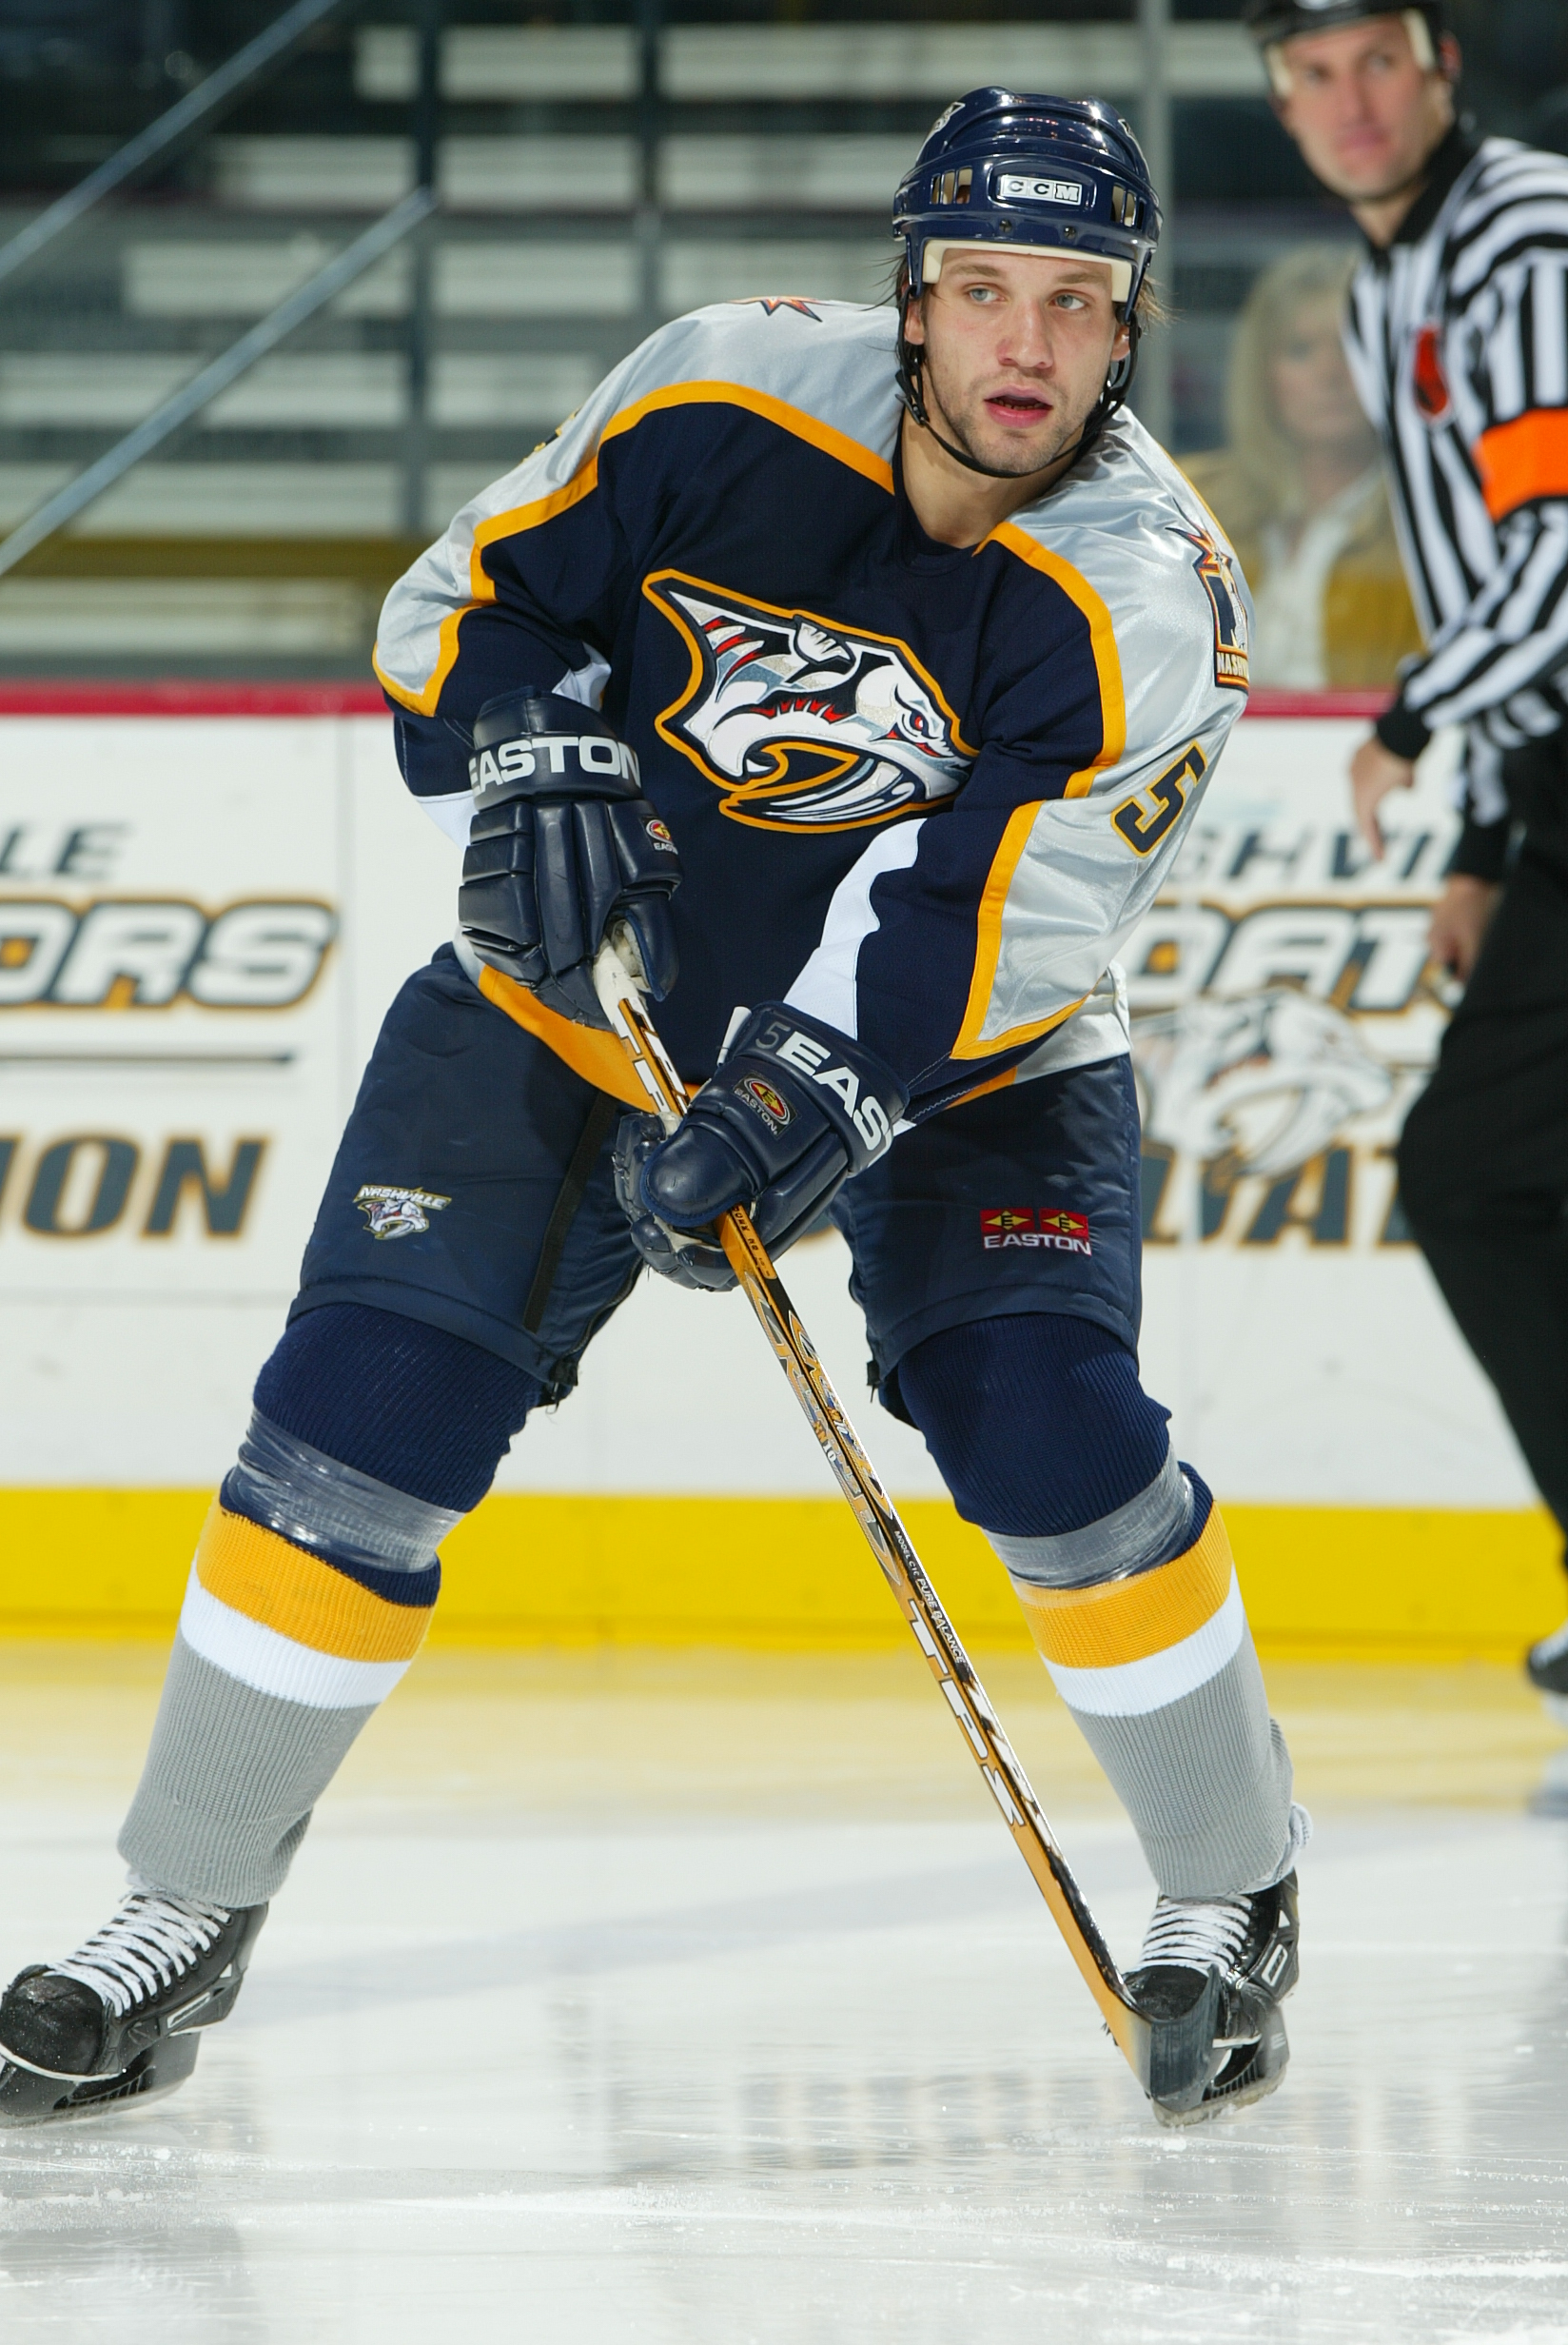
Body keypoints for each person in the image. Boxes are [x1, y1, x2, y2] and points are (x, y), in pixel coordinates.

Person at [0, 90, 1308, 2132]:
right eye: (980, 290)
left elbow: (988, 920)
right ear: (911, 296)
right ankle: (179, 1905)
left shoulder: (1146, 593)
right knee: (357, 1415)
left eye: (1072, 301)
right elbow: (458, 603)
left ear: (1129, 327)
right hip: (574, 1008)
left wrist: (800, 1101)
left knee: (1051, 1440)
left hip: (968, 1062)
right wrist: (529, 744)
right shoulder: (711, 396)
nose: (1022, 348)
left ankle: (1230, 1887)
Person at [1251, 0, 1568, 1721]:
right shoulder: (1391, 284)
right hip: (1551, 789)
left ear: (1440, 61)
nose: (1347, 101)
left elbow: (1555, 548)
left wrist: (1412, 719)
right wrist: (1482, 838)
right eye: (1308, 74)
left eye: (1375, 57)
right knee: (1484, 1171)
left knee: (1471, 1166)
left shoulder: (1522, 231)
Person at [1182, 243, 1421, 688]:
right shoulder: (1190, 506)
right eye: (1301, 350)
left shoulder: (1429, 523)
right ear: (1262, 372)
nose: (1331, 374)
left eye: (1352, 346)